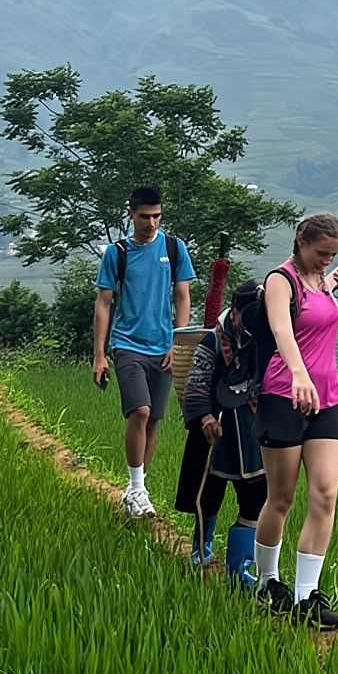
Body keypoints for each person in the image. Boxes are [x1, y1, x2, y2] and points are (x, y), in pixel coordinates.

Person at [253, 213, 338, 631]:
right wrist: (298, 374)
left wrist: (330, 284)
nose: (326, 261)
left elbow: (316, 312)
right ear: (301, 241)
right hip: (284, 396)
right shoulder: (281, 280)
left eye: (332, 255)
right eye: (321, 253)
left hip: (327, 398)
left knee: (325, 494)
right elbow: (283, 331)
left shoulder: (319, 281)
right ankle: (267, 581)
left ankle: (306, 596)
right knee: (282, 497)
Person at [93, 186, 195, 518]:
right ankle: (137, 488)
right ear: (131, 215)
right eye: (144, 217)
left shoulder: (174, 248)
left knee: (153, 420)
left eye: (156, 216)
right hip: (127, 344)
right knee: (140, 411)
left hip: (163, 347)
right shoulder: (117, 253)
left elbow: (182, 296)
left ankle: (137, 490)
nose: (151, 223)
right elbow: (104, 303)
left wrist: (178, 341)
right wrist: (99, 354)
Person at [175, 280, 267, 585]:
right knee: (208, 495)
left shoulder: (266, 338)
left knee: (256, 498)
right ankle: (201, 551)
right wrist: (205, 419)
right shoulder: (214, 341)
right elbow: (196, 384)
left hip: (254, 433)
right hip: (215, 433)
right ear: (235, 310)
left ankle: (240, 569)